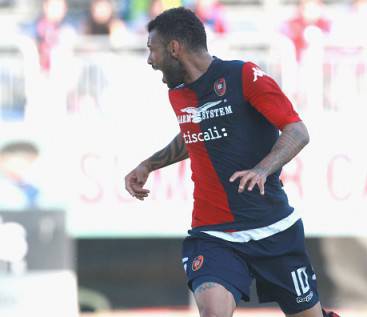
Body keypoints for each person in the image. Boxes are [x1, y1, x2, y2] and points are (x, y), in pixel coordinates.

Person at [124, 7, 339, 317]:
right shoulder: (178, 95)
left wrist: (263, 169)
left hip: (273, 229)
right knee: (213, 312)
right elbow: (193, 133)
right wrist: (149, 165)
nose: (149, 60)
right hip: (214, 233)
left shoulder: (243, 76)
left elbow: (297, 130)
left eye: (151, 50)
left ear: (174, 48)